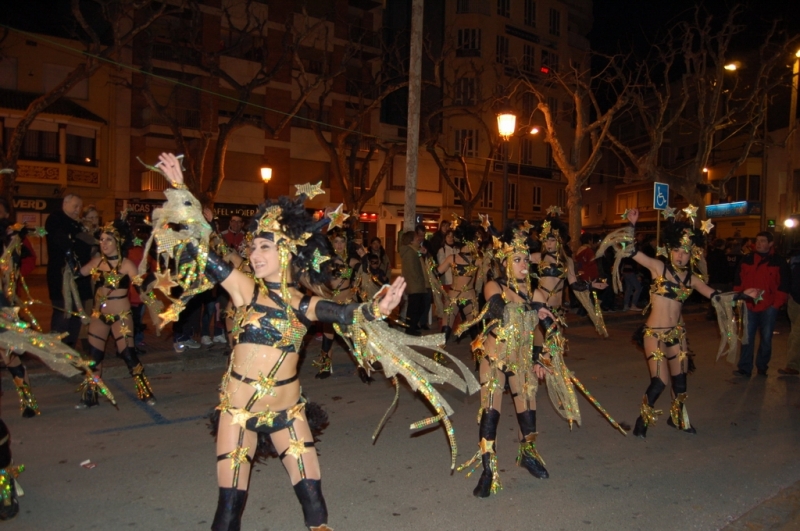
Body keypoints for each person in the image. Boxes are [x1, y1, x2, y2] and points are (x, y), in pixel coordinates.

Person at [154, 153, 475, 531]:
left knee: (315, 505)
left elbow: (345, 313)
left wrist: (376, 308)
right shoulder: (244, 290)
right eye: (253, 247)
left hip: (288, 415)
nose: (254, 254)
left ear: (287, 251)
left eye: (265, 247)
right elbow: (201, 252)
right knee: (228, 511)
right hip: (238, 414)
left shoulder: (303, 304)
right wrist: (180, 188)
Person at [604, 208, 759, 438]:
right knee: (659, 382)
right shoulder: (658, 267)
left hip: (677, 334)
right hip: (654, 333)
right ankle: (643, 419)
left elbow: (715, 296)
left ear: (691, 253)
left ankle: (677, 418)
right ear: (669, 249)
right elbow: (631, 251)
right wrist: (632, 225)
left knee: (681, 382)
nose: (680, 256)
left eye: (685, 252)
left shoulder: (692, 279)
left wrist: (743, 295)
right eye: (676, 250)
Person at [456, 229, 555, 497]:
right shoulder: (494, 286)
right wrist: (532, 308)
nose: (524, 265)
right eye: (517, 260)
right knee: (490, 414)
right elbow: (498, 308)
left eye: (526, 260)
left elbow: (547, 329)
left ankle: (528, 455)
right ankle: (488, 470)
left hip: (521, 362)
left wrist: (542, 356)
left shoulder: (535, 293)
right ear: (505, 262)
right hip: (495, 359)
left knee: (528, 414)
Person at [73, 220, 156, 408]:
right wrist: (71, 255)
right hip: (99, 316)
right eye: (102, 239)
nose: (104, 243)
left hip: (121, 316)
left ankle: (145, 391)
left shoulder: (127, 265)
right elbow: (76, 274)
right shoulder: (96, 262)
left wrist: (153, 279)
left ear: (118, 242)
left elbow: (141, 287)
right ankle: (90, 395)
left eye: (108, 240)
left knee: (128, 355)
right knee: (93, 358)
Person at [733, 231, 790, 377]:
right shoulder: (747, 259)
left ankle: (762, 366)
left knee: (766, 338)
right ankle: (745, 368)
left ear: (770, 244)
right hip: (748, 304)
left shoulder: (779, 261)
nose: (758, 243)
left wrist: (776, 304)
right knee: (747, 338)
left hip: (769, 305)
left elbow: (783, 284)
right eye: (757, 240)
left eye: (763, 241)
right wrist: (739, 298)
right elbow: (738, 280)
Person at [45, 194, 86, 348]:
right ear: (65, 203)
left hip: (77, 275)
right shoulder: (56, 219)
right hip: (60, 274)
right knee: (62, 311)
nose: (78, 210)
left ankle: (69, 347)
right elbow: (63, 241)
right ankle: (56, 348)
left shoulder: (77, 224)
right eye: (75, 206)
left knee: (76, 312)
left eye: (80, 207)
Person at [399, 230, 426, 336]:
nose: (418, 239)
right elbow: (412, 269)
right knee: (415, 307)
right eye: (416, 237)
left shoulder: (413, 251)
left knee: (417, 306)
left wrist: (421, 252)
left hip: (415, 283)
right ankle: (410, 328)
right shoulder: (409, 252)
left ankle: (412, 326)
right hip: (414, 284)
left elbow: (417, 258)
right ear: (411, 240)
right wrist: (419, 278)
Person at [779, 249, 800, 376]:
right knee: (794, 332)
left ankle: (792, 366)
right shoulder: (794, 257)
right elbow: (787, 276)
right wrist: (788, 292)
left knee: (796, 334)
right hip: (794, 300)